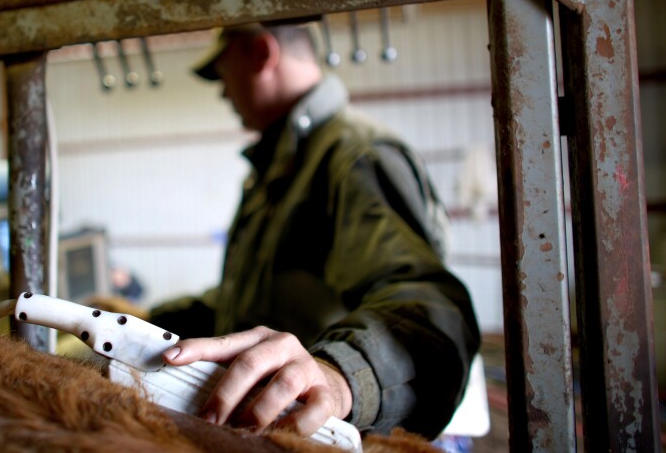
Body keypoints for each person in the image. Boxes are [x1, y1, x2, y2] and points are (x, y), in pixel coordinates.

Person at [98, 22, 481, 441]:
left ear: (262, 53)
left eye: (222, 73)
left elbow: (433, 305)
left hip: (308, 436)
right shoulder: (283, 165)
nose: (224, 92)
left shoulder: (354, 157)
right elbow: (249, 304)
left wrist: (336, 377)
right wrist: (149, 323)